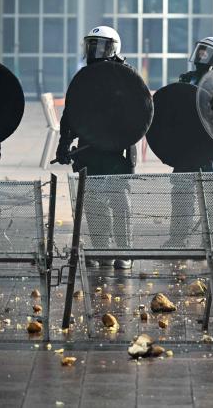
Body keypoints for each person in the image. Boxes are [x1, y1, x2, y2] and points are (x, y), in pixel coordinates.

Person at [56, 26, 137, 269]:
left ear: (114, 47)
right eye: (92, 45)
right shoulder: (84, 77)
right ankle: (102, 249)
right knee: (92, 201)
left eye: (101, 45)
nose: (95, 51)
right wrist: (64, 141)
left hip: (116, 150)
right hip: (88, 149)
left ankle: (124, 252)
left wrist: (128, 151)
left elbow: (137, 113)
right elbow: (71, 111)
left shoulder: (126, 75)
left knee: (118, 201)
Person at [168, 37, 213, 246]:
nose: (201, 56)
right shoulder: (186, 79)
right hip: (186, 146)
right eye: (200, 51)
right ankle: (178, 239)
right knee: (181, 195)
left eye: (206, 53)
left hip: (209, 147)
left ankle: (210, 241)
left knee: (211, 198)